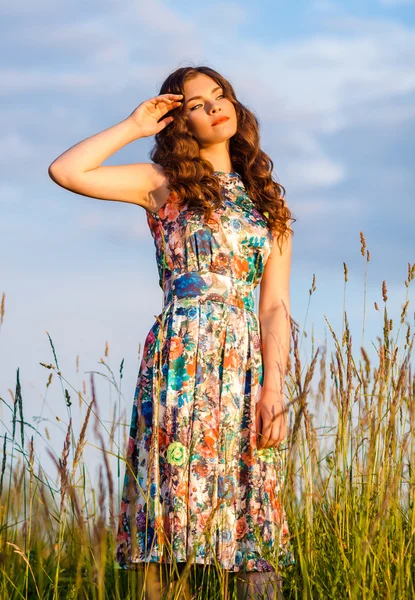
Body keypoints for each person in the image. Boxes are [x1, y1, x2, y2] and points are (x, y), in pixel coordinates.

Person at [48, 65, 296, 599]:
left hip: (247, 367)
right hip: (182, 357)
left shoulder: (268, 201)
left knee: (251, 506)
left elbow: (274, 306)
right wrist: (135, 125)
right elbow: (67, 171)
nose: (213, 107)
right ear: (180, 123)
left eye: (219, 95)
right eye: (196, 105)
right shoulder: (162, 185)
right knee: (172, 505)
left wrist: (274, 387)